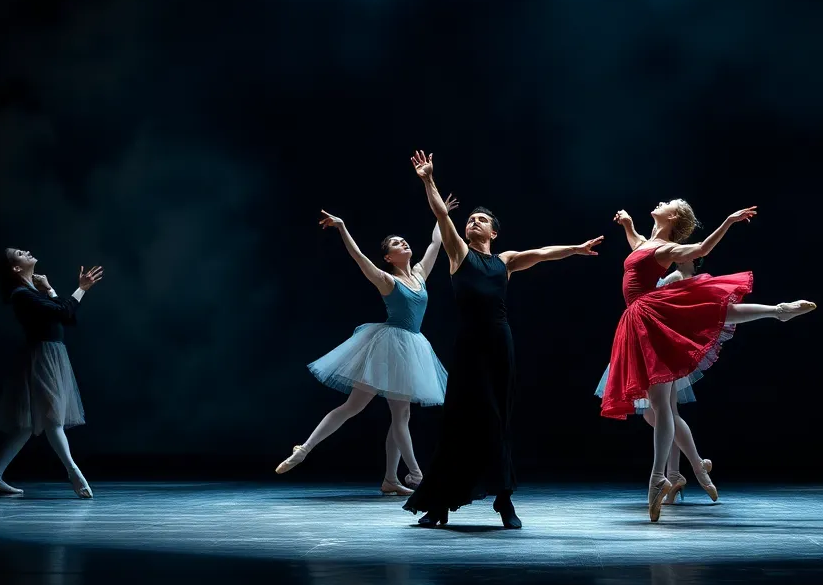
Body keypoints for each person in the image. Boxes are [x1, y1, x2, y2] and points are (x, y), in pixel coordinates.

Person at [402, 150, 603, 529]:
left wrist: (575, 250)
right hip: (469, 346)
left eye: (482, 220)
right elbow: (442, 215)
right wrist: (428, 179)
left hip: (499, 344)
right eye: (471, 219)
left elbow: (542, 254)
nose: (473, 221)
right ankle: (441, 502)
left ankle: (504, 500)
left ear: (494, 232)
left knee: (498, 420)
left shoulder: (505, 261)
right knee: (460, 420)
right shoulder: (458, 253)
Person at [601, 200, 816, 521]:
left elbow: (700, 248)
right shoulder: (649, 244)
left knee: (705, 314)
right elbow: (637, 247)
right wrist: (628, 226)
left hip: (648, 314)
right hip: (638, 318)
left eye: (666, 204)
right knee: (662, 404)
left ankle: (659, 477)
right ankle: (778, 311)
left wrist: (728, 220)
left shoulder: (668, 248)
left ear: (672, 216)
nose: (659, 203)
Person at [275, 202, 455, 495]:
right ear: (388, 257)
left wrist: (441, 213)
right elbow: (359, 258)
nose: (403, 242)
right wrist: (343, 226)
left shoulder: (420, 275)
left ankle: (391, 480)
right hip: (390, 348)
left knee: (388, 413)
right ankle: (416, 474)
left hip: (409, 347)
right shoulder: (387, 281)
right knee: (379, 412)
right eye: (396, 243)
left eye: (403, 239)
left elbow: (437, 241)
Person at [593, 252, 721, 505]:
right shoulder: (682, 277)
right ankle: (679, 473)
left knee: (661, 413)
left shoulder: (676, 277)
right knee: (664, 413)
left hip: (656, 344)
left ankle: (693, 467)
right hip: (657, 342)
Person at [0, 249, 103, 498]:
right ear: (16, 268)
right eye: (19, 253)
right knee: (52, 419)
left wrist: (49, 289)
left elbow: (66, 318)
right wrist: (81, 289)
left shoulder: (31, 293)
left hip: (51, 355)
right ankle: (74, 472)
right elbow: (63, 312)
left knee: (26, 427)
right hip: (42, 358)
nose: (26, 252)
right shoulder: (21, 295)